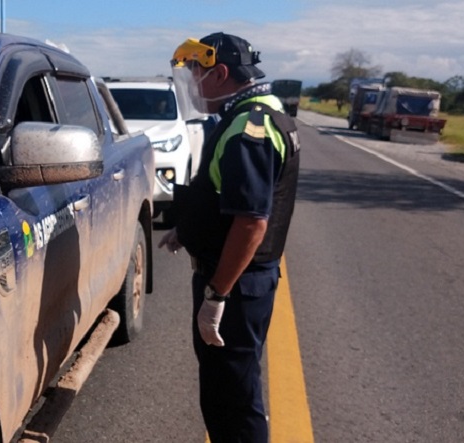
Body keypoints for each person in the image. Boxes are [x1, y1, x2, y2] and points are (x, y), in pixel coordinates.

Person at [158, 32, 300, 442]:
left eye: (196, 74)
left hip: (235, 286)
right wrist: (188, 228)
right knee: (231, 393)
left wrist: (216, 297)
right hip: (244, 282)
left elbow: (252, 222)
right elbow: (228, 196)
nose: (192, 85)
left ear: (221, 73)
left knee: (231, 404)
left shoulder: (246, 129)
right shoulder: (263, 110)